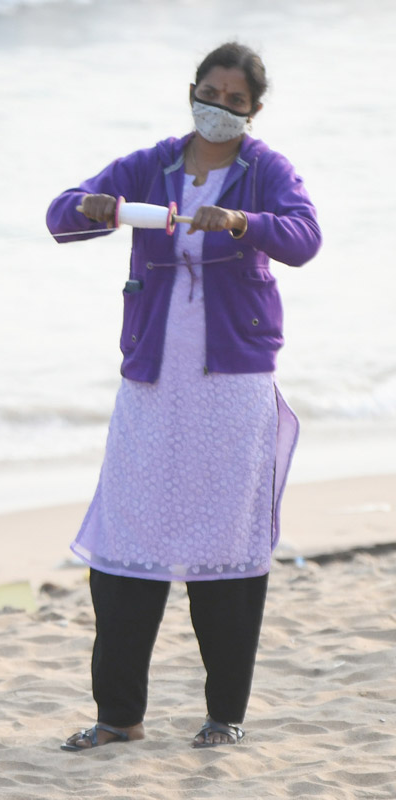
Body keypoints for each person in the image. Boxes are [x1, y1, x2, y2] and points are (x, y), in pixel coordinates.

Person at [45, 42, 321, 750]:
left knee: (226, 547)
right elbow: (60, 216)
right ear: (190, 91)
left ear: (253, 111)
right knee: (128, 541)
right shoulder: (153, 165)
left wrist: (241, 223)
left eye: (236, 101)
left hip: (233, 387)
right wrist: (96, 207)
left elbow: (304, 237)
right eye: (212, 93)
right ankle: (118, 719)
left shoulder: (267, 172)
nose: (221, 108)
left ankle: (223, 715)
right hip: (153, 381)